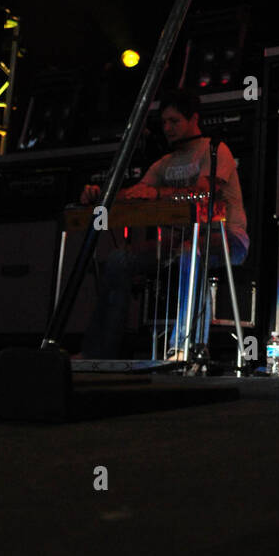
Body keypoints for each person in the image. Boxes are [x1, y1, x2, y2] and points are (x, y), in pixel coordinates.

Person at [80, 88, 248, 360]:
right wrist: (100, 195)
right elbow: (136, 193)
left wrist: (158, 193)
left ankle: (184, 349)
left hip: (228, 239)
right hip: (180, 241)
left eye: (174, 121)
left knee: (187, 251)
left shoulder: (215, 150)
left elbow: (204, 193)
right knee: (118, 259)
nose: (167, 128)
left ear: (193, 119)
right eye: (164, 123)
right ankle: (99, 353)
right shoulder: (163, 163)